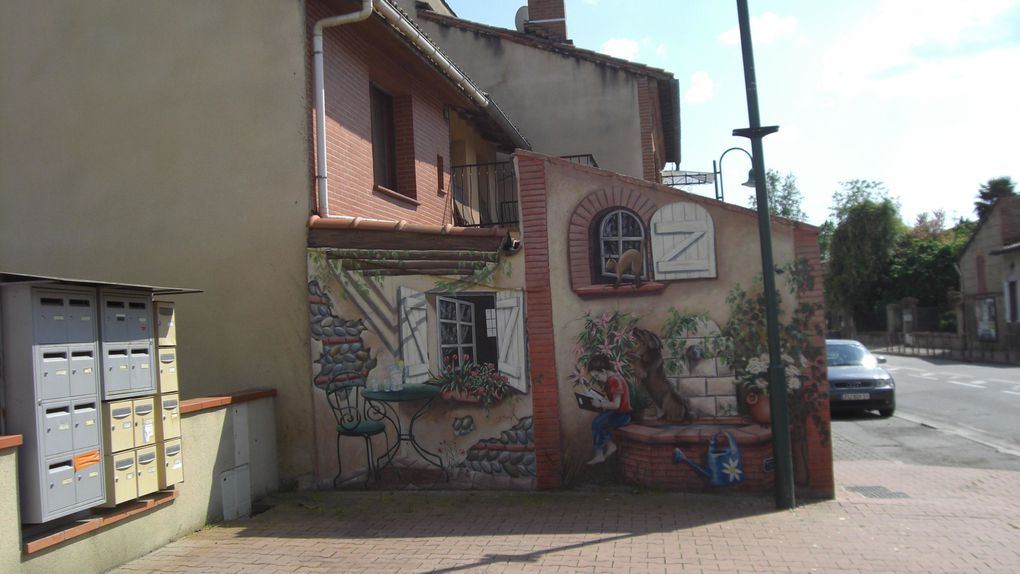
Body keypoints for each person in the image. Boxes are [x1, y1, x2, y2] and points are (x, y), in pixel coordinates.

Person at [585, 354, 632, 465]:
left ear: (603, 371)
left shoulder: (614, 380)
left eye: (597, 376)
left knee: (597, 423)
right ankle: (610, 446)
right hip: (617, 413)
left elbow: (616, 405)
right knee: (599, 422)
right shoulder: (612, 378)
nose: (597, 379)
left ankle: (599, 455)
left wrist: (600, 404)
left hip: (622, 415)